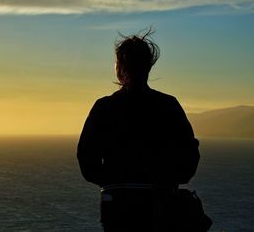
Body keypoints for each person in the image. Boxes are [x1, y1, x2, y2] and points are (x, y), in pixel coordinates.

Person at [77, 29, 200, 231]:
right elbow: (189, 157)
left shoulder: (104, 107)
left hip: (117, 206)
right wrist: (166, 180)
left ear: (119, 67)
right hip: (161, 205)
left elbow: (86, 158)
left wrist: (113, 180)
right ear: (149, 66)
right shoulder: (168, 106)